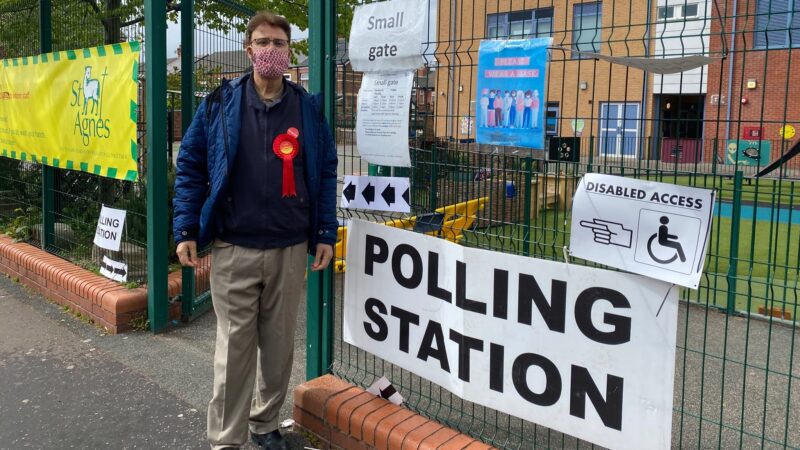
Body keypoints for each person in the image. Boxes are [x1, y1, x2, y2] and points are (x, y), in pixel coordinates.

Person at [172, 11, 338, 450]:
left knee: (280, 348)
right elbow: (190, 167)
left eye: (279, 44)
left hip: (289, 248)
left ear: (289, 52)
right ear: (249, 50)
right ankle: (227, 439)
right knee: (234, 350)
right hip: (234, 247)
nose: (270, 51)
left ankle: (265, 425)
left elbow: (324, 173)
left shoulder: (308, 109)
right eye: (262, 43)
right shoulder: (218, 104)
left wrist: (324, 232)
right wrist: (186, 228)